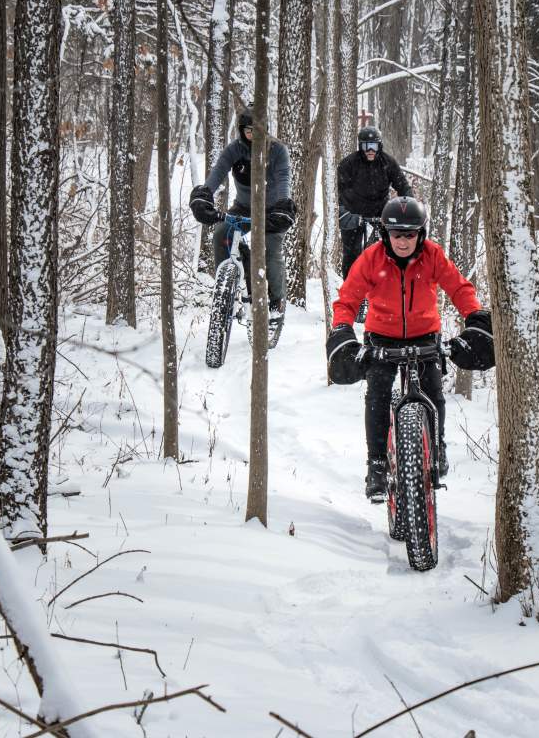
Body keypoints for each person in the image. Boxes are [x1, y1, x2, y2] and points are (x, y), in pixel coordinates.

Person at [325, 196, 495, 501]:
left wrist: (473, 313)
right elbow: (348, 298)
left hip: (424, 336)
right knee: (377, 393)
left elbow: (458, 287)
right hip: (382, 337)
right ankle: (377, 464)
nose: (403, 241)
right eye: (397, 234)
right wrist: (342, 328)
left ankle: (437, 447)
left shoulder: (432, 255)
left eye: (410, 234)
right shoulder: (372, 258)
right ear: (385, 234)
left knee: (433, 392)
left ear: (421, 233)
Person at [189, 106, 296, 322]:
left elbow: (284, 179)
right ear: (241, 131)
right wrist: (205, 194)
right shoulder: (234, 150)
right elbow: (218, 173)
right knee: (221, 234)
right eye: (248, 131)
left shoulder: (277, 150)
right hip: (243, 207)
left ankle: (277, 302)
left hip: (272, 209)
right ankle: (225, 292)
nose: (253, 136)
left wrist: (284, 204)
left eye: (257, 131)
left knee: (270, 247)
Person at [337, 126, 412, 279]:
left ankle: (387, 283)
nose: (370, 150)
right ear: (360, 146)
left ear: (379, 146)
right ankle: (351, 291)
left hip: (380, 211)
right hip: (354, 212)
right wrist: (348, 214)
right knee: (352, 254)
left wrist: (408, 205)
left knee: (390, 249)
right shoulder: (348, 164)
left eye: (374, 146)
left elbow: (402, 185)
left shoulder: (387, 162)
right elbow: (340, 191)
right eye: (366, 146)